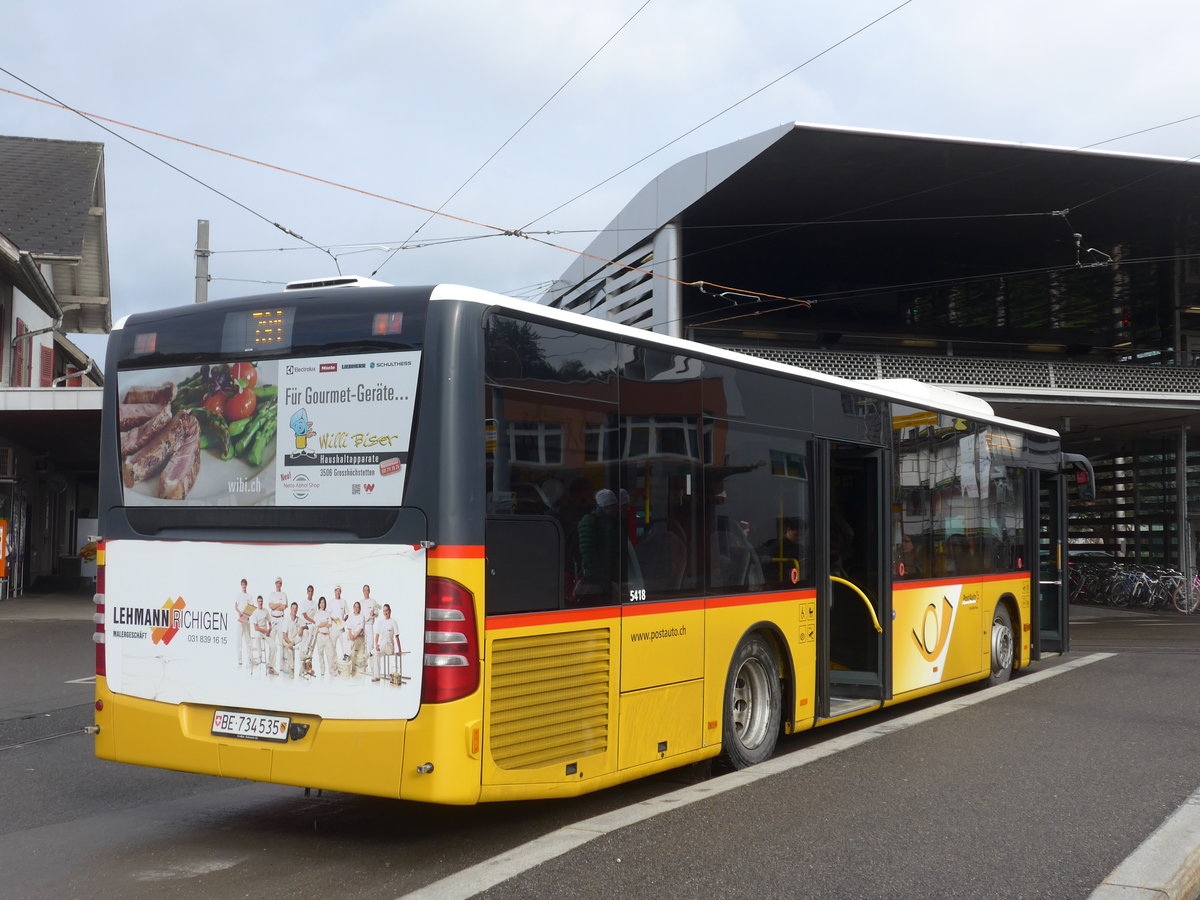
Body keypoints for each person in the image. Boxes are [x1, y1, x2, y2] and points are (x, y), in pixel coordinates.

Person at [575, 488, 641, 603]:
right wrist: (601, 576)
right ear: (605, 506)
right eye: (613, 506)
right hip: (598, 579)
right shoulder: (592, 521)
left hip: (607, 578)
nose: (617, 509)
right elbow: (588, 552)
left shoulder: (611, 522)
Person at [760, 518, 806, 584]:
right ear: (788, 530)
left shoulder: (769, 543)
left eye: (801, 536)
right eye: (796, 535)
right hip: (780, 582)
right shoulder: (797, 548)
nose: (798, 539)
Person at [373, 602, 400, 683]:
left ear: (390, 611)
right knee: (376, 655)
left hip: (389, 647)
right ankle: (377, 677)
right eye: (384, 611)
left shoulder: (393, 622)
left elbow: (397, 637)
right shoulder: (381, 622)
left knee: (385, 641)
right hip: (382, 648)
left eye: (387, 610)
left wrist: (400, 650)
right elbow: (377, 635)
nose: (385, 612)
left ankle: (371, 652)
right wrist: (376, 646)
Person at [266, 576, 288, 673]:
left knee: (282, 642)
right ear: (275, 584)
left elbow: (284, 606)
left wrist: (276, 606)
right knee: (272, 643)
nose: (278, 584)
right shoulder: (272, 594)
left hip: (281, 619)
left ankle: (282, 666)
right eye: (277, 583)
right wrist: (278, 605)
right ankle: (271, 665)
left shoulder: (283, 594)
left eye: (279, 583)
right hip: (273, 619)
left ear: (281, 584)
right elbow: (270, 606)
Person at [311, 596, 336, 678]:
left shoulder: (327, 613)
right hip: (320, 636)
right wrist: (324, 623)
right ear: (319, 604)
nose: (322, 604)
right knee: (320, 654)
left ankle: (331, 671)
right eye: (321, 602)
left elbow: (330, 624)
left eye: (324, 602)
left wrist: (322, 623)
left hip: (327, 636)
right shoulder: (317, 614)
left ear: (325, 604)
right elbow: (317, 625)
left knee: (330, 654)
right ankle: (322, 671)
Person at [233, 578, 253, 667]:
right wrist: (240, 613)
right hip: (240, 620)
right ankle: (240, 660)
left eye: (245, 584)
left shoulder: (249, 596)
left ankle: (249, 659)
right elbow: (235, 607)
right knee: (239, 641)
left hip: (247, 620)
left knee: (248, 641)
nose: (244, 586)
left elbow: (251, 607)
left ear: (246, 585)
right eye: (242, 584)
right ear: (241, 585)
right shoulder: (239, 595)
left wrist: (247, 615)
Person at [281, 601, 305, 678]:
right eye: (293, 608)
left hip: (294, 641)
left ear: (297, 610)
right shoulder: (286, 620)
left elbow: (305, 626)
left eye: (296, 609)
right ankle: (292, 669)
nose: (294, 610)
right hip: (287, 640)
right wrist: (290, 642)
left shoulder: (298, 619)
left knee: (304, 632)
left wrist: (301, 628)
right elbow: (284, 635)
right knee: (290, 650)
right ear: (290, 609)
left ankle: (303, 668)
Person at [249, 596, 271, 673]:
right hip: (259, 631)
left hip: (265, 632)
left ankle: (270, 664)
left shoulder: (266, 611)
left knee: (273, 645)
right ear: (257, 602)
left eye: (261, 601)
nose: (260, 603)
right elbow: (256, 628)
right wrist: (265, 630)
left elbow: (270, 622)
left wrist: (269, 630)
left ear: (263, 602)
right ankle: (259, 656)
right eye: (259, 601)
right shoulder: (255, 612)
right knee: (257, 636)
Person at [344, 600, 367, 676]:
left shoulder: (362, 617)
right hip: (352, 637)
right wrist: (351, 635)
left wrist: (354, 636)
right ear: (353, 608)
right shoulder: (351, 616)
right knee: (346, 635)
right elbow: (349, 628)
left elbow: (360, 629)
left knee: (359, 658)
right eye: (355, 607)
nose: (356, 608)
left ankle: (360, 675)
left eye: (358, 607)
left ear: (360, 609)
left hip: (359, 637)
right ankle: (346, 655)